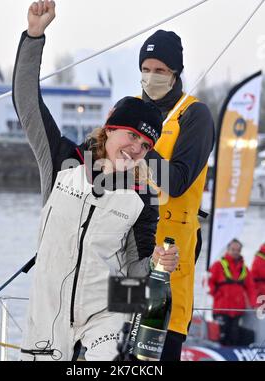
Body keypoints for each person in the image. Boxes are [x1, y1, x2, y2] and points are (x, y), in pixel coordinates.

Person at [12, 0, 179, 361]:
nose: (137, 148)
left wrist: (157, 267)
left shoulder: (141, 195)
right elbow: (27, 104)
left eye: (146, 144)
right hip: (45, 328)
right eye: (132, 136)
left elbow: (135, 272)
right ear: (110, 128)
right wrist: (34, 36)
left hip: (102, 332)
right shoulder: (63, 163)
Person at [137, 30, 215, 359]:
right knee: (113, 355)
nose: (150, 77)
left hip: (168, 263)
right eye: (145, 69)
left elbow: (178, 181)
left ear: (176, 74)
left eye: (160, 70)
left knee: (154, 355)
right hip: (130, 258)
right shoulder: (132, 110)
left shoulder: (194, 115)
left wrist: (142, 144)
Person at [208, 239, 257, 346]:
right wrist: (217, 295)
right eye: (233, 249)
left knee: (234, 336)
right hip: (221, 309)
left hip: (237, 311)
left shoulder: (244, 269)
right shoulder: (218, 265)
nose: (235, 252)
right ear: (228, 249)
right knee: (221, 336)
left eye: (238, 250)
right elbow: (208, 282)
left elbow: (251, 289)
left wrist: (254, 305)